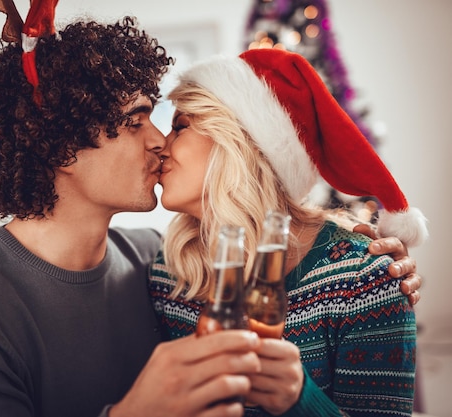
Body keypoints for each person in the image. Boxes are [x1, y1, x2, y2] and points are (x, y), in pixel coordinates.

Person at [0, 1, 422, 417]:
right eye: (136, 121)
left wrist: (376, 267)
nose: (158, 141)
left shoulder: (155, 262)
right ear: (59, 143)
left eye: (171, 122)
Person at [149, 48, 428, 417]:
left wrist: (298, 401)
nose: (159, 146)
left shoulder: (363, 277)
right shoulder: (169, 273)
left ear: (237, 143)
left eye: (180, 126)